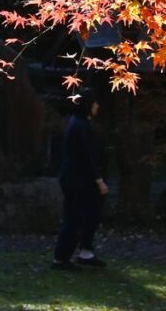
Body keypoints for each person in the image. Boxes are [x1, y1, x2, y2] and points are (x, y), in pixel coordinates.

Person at [52, 86, 108, 270]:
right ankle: (61, 257)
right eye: (94, 103)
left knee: (90, 213)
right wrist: (98, 180)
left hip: (77, 179)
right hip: (77, 181)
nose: (97, 106)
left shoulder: (77, 123)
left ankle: (85, 251)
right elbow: (87, 156)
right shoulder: (80, 126)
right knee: (74, 218)